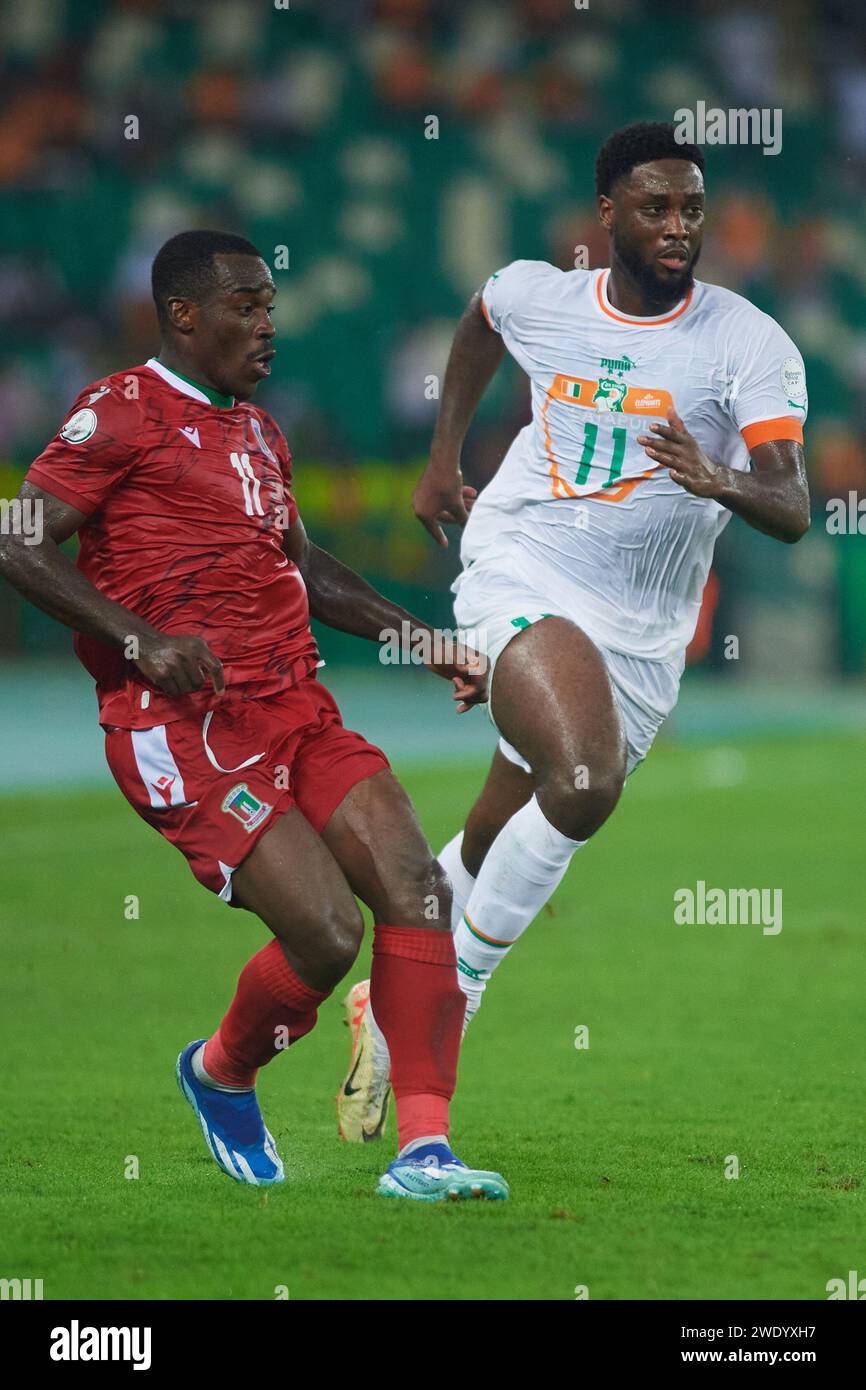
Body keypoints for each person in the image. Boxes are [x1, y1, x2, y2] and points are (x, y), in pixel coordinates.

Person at [0, 229, 509, 1203]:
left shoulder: (259, 432)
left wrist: (426, 639)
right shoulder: (120, 411)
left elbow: (307, 568)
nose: (266, 323)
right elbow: (18, 538)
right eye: (245, 305)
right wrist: (137, 635)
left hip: (297, 704)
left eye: (270, 304)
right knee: (324, 934)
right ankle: (222, 1070)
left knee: (415, 885)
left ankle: (425, 1153)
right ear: (183, 314)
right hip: (181, 727)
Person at [338, 122, 810, 1143]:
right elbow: (478, 318)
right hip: (522, 562)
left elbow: (790, 504)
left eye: (690, 207)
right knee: (584, 780)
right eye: (655, 206)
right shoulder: (540, 294)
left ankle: (385, 995)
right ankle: (450, 994)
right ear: (607, 216)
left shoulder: (745, 343)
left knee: (510, 816)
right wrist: (442, 458)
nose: (678, 226)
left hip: (641, 632)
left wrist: (715, 475)